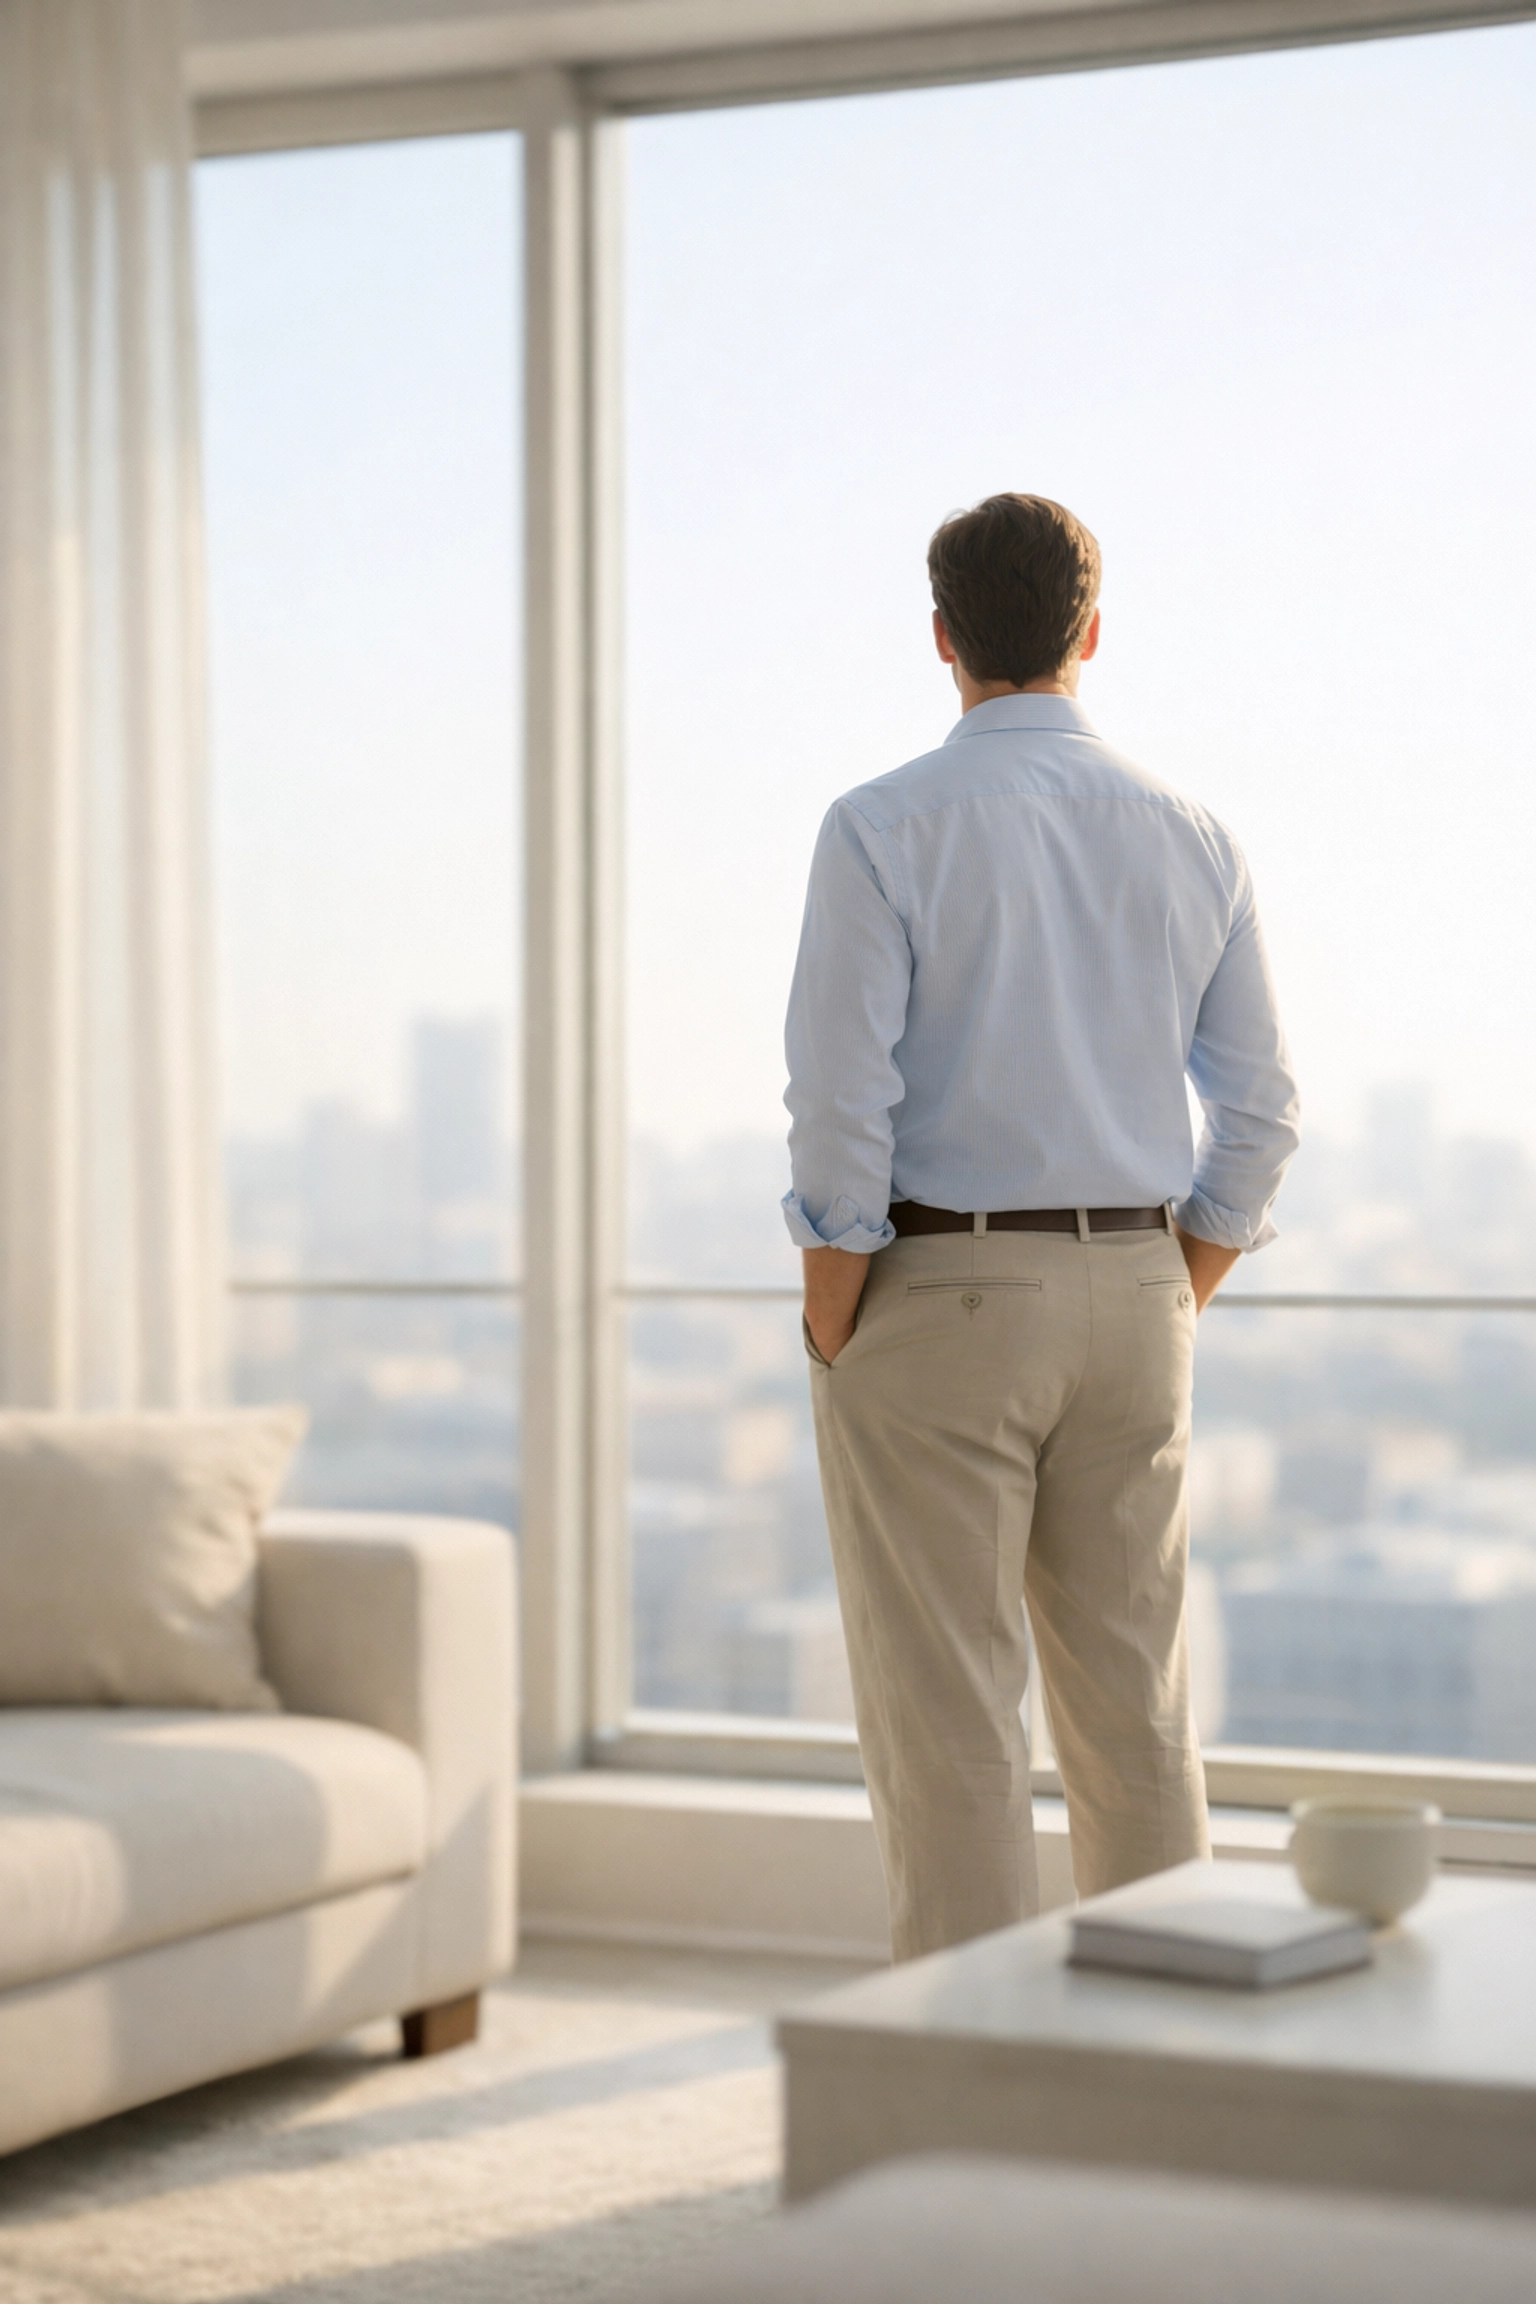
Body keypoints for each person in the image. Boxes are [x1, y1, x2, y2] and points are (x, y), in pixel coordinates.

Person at [782, 493, 1299, 1963]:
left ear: (941, 639)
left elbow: (839, 1104)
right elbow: (1262, 1115)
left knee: (948, 1719)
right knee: (1138, 1710)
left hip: (932, 1294)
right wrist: (1169, 1284)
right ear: (1091, 632)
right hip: (1136, 1290)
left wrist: (835, 1310)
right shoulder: (1197, 836)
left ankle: (972, 2104)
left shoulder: (880, 826)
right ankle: (1167, 2090)